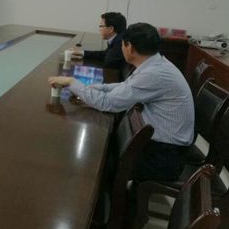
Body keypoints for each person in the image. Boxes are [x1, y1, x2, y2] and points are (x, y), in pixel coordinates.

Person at [49, 22, 194, 182]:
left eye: (123, 45)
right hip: (161, 147)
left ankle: (112, 195)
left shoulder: (153, 74)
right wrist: (89, 88)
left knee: (94, 160)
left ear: (129, 47)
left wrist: (72, 82)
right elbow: (124, 86)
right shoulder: (155, 64)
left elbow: (107, 103)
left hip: (163, 158)